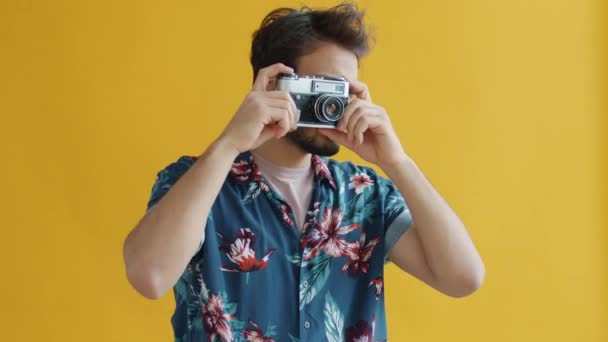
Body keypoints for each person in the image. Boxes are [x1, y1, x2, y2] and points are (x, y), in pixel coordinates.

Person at [123, 3, 485, 341]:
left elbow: (463, 278)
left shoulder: (364, 193)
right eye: (319, 88)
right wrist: (230, 143)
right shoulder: (196, 181)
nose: (333, 105)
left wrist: (397, 162)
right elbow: (149, 277)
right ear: (273, 84)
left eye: (343, 91)